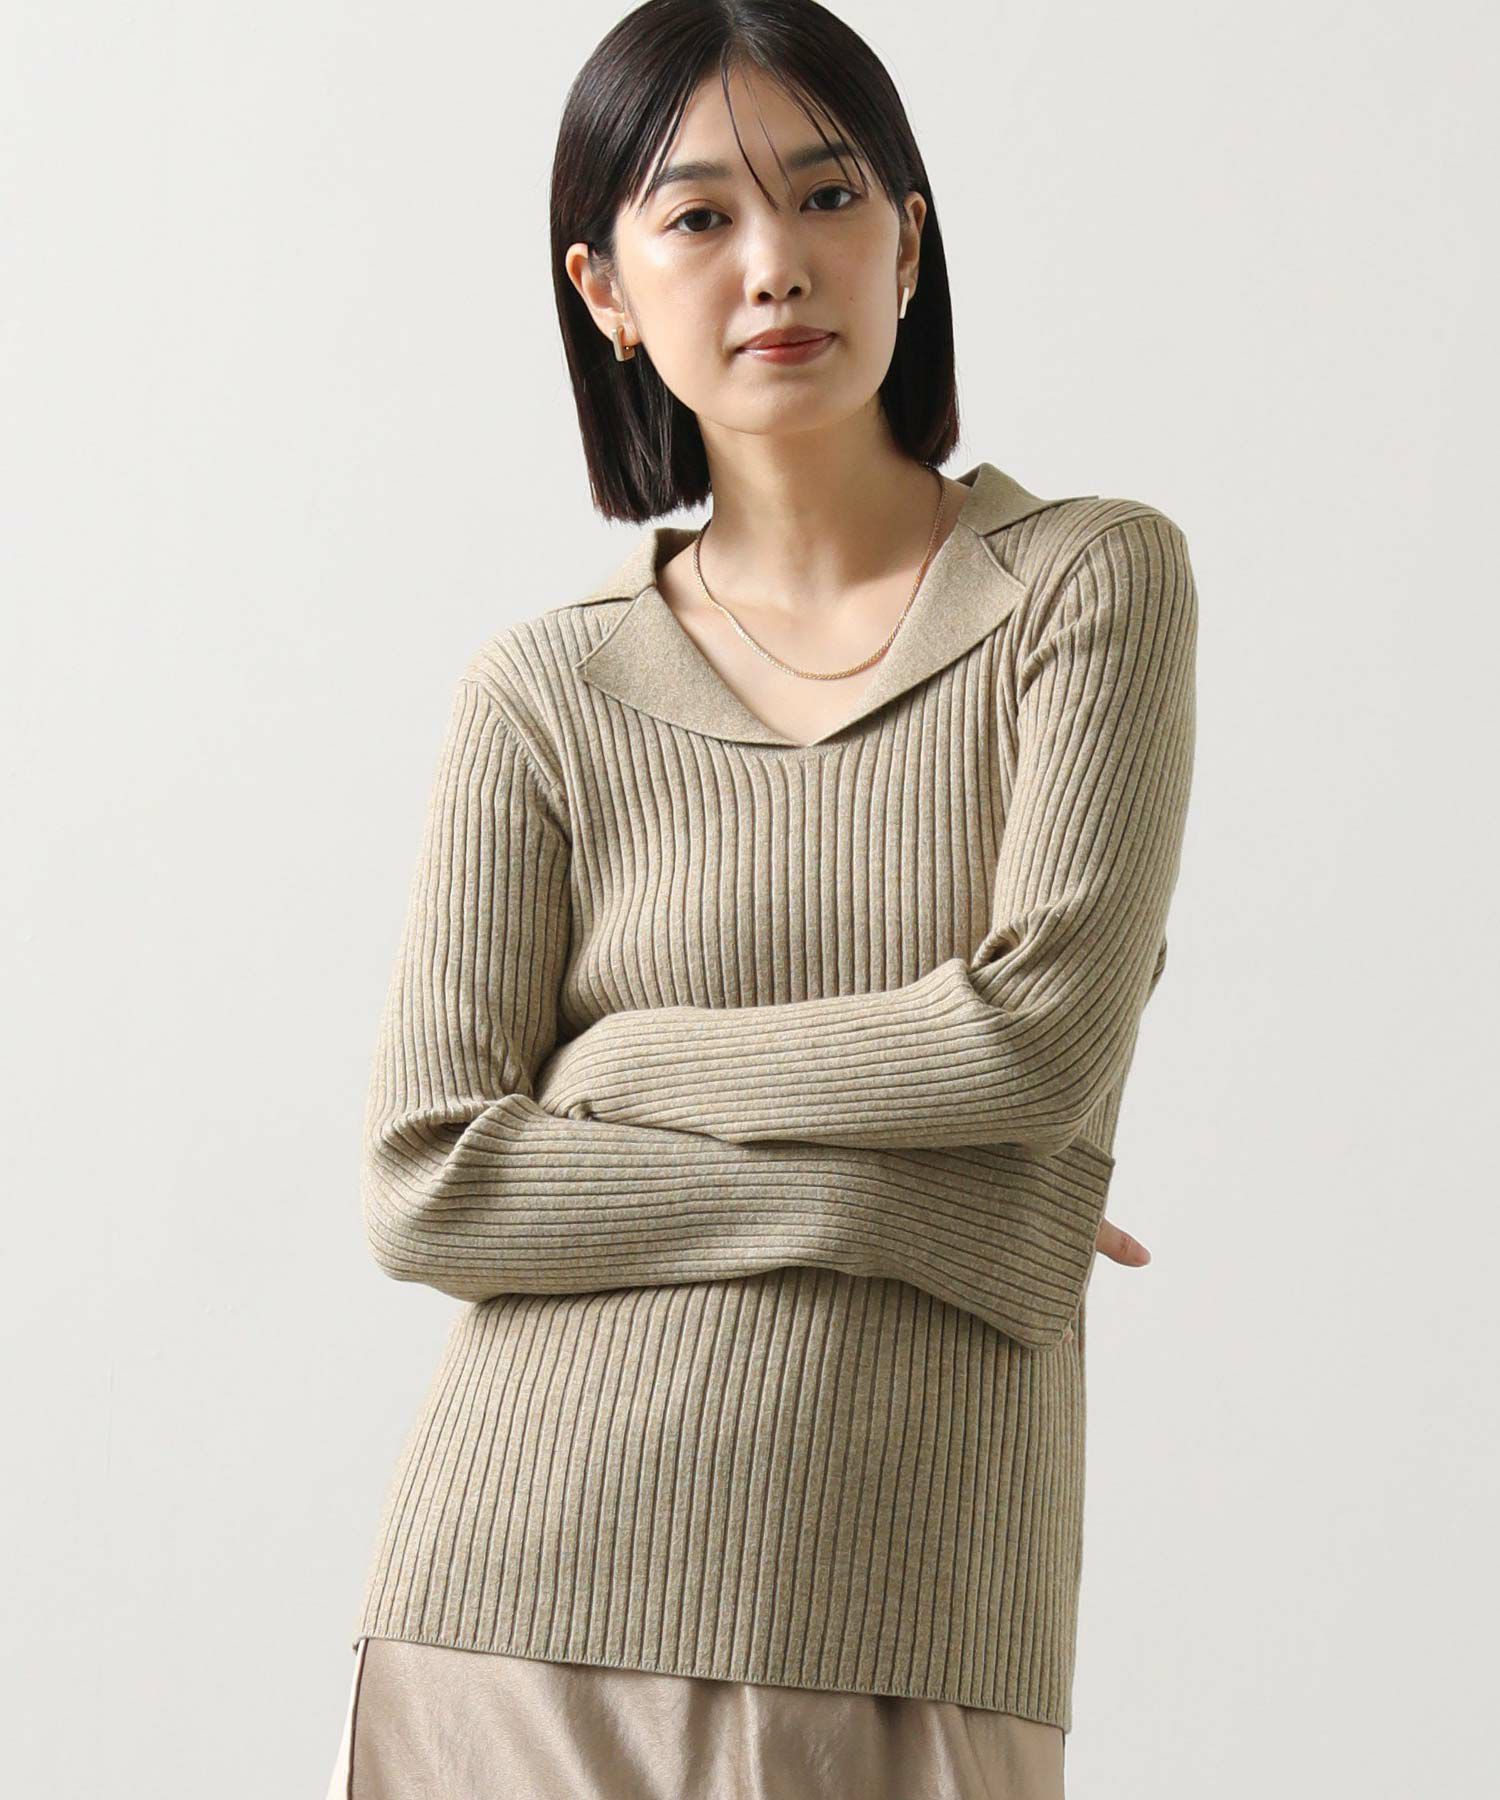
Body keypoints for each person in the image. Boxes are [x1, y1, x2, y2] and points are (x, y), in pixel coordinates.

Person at [327, 3, 1197, 1795]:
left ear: (909, 239)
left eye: (827, 194)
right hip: (512, 1597)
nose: (776, 263)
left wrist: (621, 1064)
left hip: (912, 1603)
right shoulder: (545, 693)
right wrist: (914, 1211)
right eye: (701, 216)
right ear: (607, 290)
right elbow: (429, 1181)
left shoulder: (1083, 589)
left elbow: (1030, 1048)